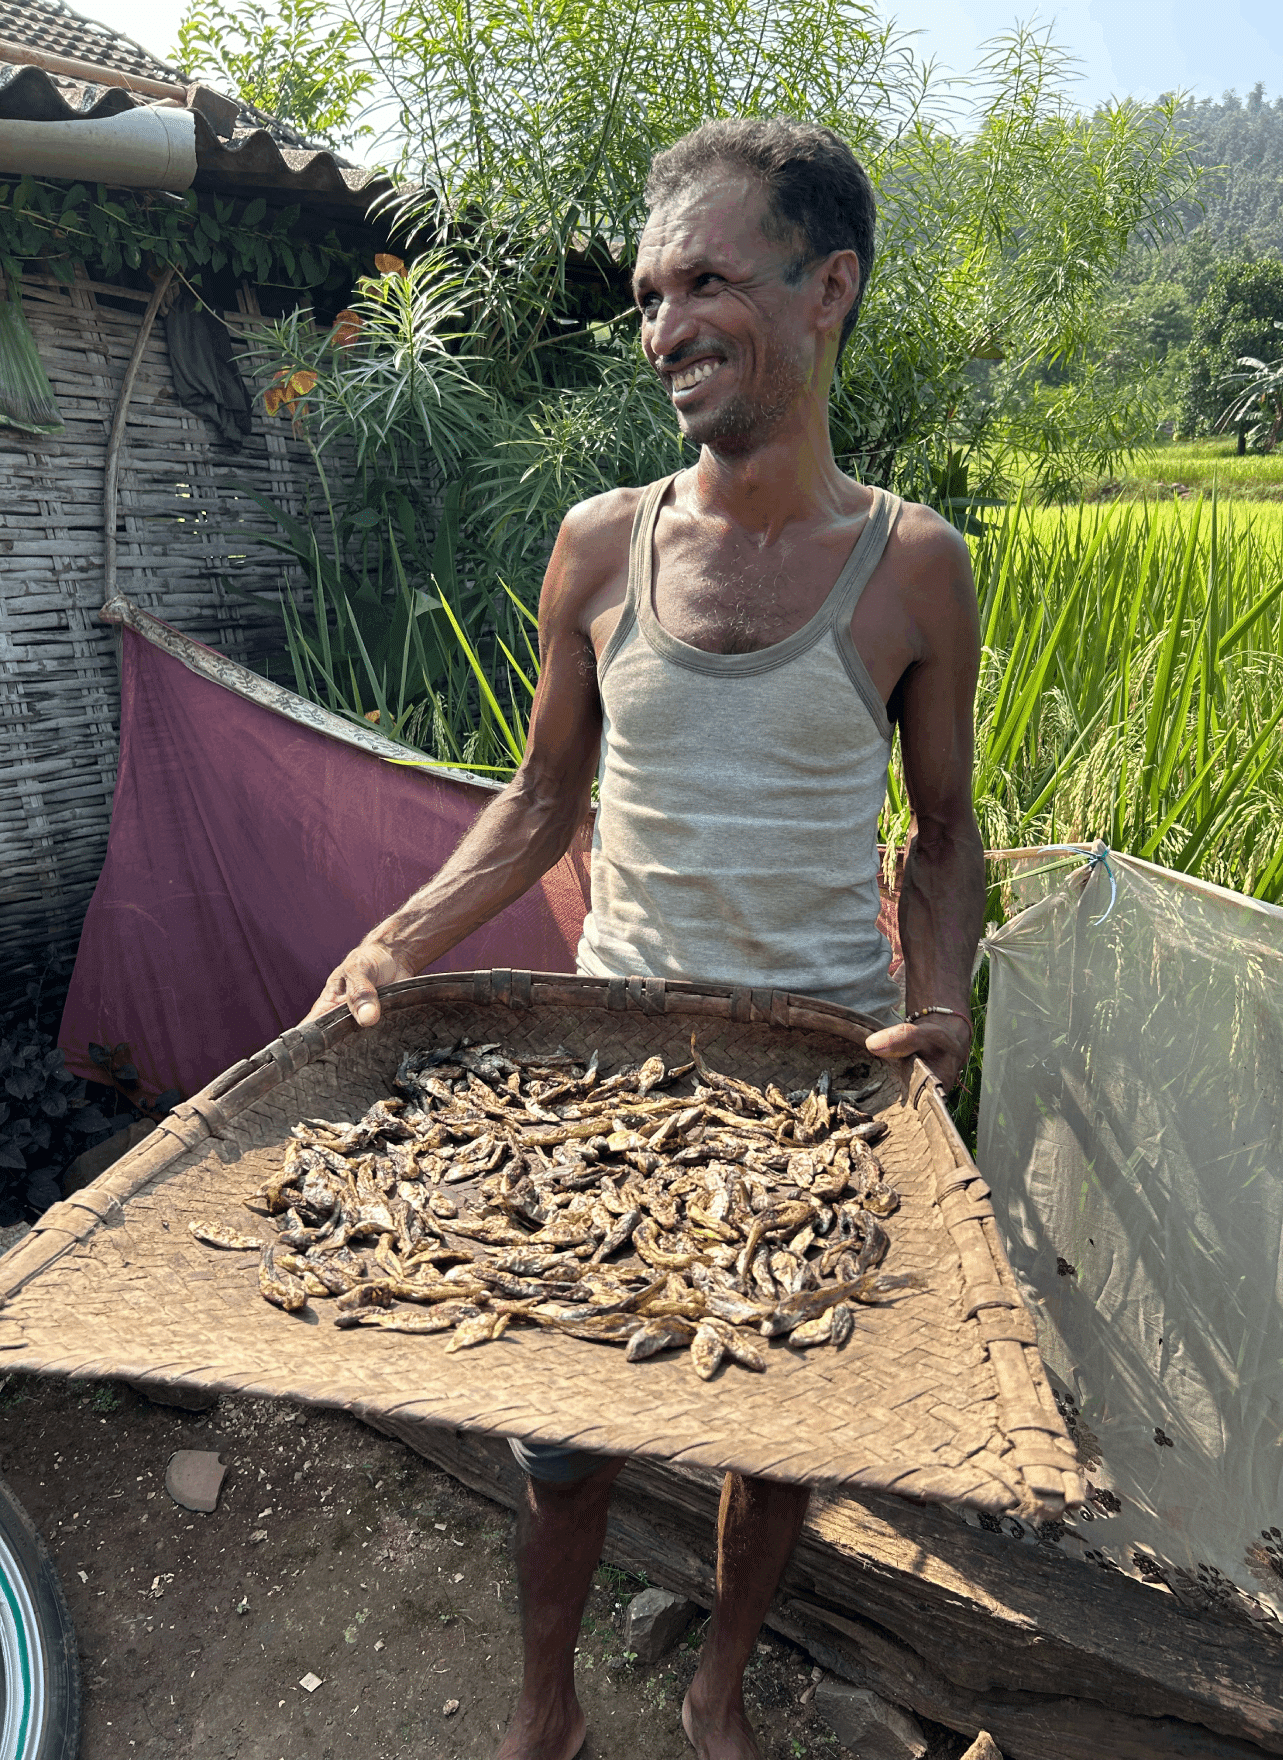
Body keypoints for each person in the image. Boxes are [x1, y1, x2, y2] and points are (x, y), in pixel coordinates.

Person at [306, 118, 983, 1760]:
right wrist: (395, 937)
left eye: (705, 282)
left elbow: (948, 832)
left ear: (829, 289)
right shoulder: (604, 547)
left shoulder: (912, 570)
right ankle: (548, 1713)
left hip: (818, 1084)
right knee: (568, 1432)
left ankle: (713, 1687)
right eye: (647, 294)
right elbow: (542, 803)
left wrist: (942, 1002)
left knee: (779, 1422)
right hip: (608, 1075)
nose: (664, 326)